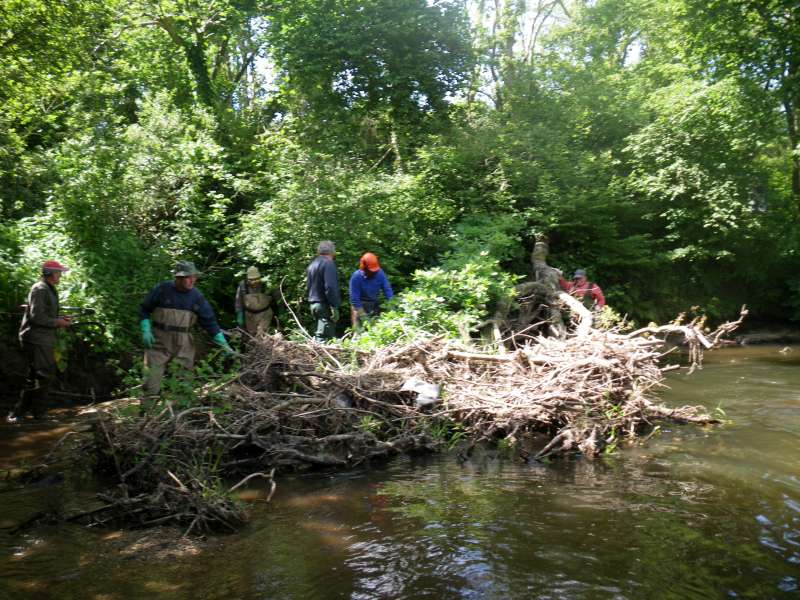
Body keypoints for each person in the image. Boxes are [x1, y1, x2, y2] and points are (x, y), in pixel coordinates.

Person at [138, 260, 234, 410]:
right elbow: (144, 309)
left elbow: (210, 323)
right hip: (158, 341)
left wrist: (224, 345)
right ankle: (145, 417)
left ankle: (181, 420)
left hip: (184, 343)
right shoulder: (162, 289)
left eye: (194, 277)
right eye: (188, 277)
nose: (192, 280)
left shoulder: (196, 297)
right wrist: (145, 329)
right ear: (178, 278)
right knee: (151, 381)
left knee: (184, 382)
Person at [7, 260, 72, 423]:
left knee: (37, 376)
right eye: (58, 273)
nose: (60, 276)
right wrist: (57, 323)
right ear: (50, 274)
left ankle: (20, 414)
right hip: (36, 339)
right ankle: (35, 414)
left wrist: (59, 319)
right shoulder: (40, 289)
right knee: (43, 375)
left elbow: (44, 314)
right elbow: (37, 317)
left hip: (42, 338)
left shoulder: (48, 289)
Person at [305, 240, 340, 341]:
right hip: (324, 305)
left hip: (313, 305)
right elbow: (330, 287)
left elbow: (309, 286)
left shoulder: (312, 265)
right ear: (332, 252)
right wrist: (334, 306)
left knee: (321, 335)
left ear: (318, 252)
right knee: (325, 339)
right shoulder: (328, 264)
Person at [349, 252, 394, 329]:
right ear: (364, 267)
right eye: (371, 270)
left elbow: (387, 290)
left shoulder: (380, 273)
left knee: (374, 330)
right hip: (359, 306)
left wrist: (392, 305)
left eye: (374, 271)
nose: (373, 272)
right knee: (359, 332)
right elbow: (354, 299)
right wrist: (363, 316)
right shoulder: (356, 277)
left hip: (373, 304)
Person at [235, 266, 273, 336]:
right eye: (251, 280)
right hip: (249, 315)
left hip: (265, 313)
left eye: (256, 279)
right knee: (251, 335)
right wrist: (239, 314)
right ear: (247, 279)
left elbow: (276, 298)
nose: (254, 282)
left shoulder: (266, 284)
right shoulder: (242, 285)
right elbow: (238, 301)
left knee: (262, 334)